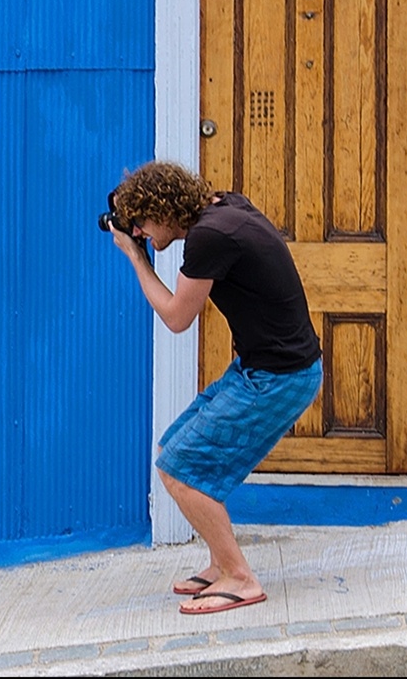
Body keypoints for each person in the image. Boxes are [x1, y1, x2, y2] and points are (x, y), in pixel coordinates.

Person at [107, 159, 322, 615]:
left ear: (161, 210)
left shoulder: (209, 237)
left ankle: (240, 578)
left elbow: (177, 317)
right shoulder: (225, 208)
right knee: (176, 449)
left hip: (279, 378)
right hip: (265, 367)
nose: (141, 232)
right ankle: (219, 561)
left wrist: (135, 257)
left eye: (142, 223)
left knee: (180, 469)